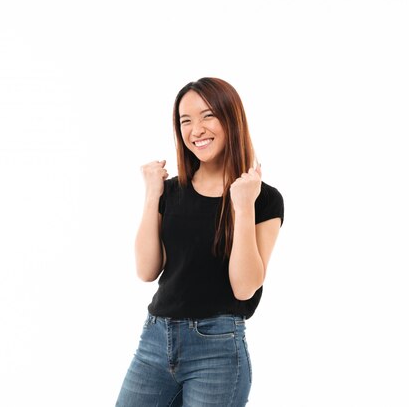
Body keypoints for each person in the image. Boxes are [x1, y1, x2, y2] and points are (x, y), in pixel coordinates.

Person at [116, 77, 284, 406]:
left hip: (217, 350)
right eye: (185, 121)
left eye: (207, 116)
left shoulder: (262, 199)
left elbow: (245, 287)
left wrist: (243, 206)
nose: (196, 130)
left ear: (231, 118)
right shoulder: (172, 191)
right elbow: (146, 270)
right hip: (154, 340)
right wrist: (153, 195)